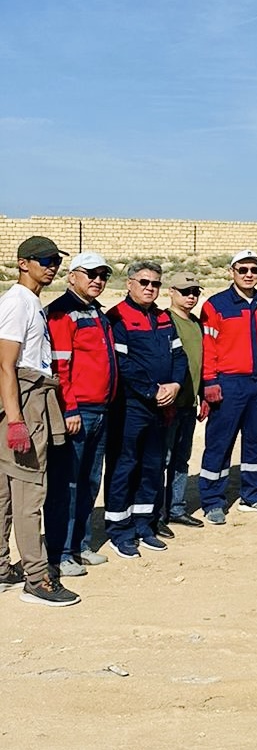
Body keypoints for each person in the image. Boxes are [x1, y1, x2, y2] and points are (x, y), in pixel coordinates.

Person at [0, 236, 79, 605]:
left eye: (55, 261)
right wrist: (17, 421)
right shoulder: (18, 302)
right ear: (23, 263)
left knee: (5, 493)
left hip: (29, 397)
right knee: (30, 492)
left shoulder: (31, 302)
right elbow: (6, 365)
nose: (52, 267)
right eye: (45, 260)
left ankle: (2, 568)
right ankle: (37, 578)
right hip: (26, 402)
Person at [105, 260, 188, 558]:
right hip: (131, 407)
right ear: (129, 284)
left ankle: (144, 524)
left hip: (161, 406)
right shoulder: (117, 317)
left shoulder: (163, 317)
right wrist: (153, 391)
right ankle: (119, 530)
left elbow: (179, 356)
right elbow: (122, 363)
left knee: (152, 466)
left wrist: (175, 386)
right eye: (144, 282)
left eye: (155, 283)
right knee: (124, 467)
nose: (150, 288)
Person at [44, 251, 118, 576]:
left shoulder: (96, 311)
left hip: (101, 409)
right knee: (68, 485)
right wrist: (69, 408)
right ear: (72, 276)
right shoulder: (63, 312)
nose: (98, 280)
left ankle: (80, 545)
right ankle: (60, 553)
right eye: (91, 274)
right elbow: (60, 367)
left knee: (89, 481)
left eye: (103, 275)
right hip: (78, 413)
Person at [197, 250, 257, 524]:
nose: (249, 274)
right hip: (229, 383)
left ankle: (254, 495)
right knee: (220, 442)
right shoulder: (216, 305)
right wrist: (210, 381)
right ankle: (213, 501)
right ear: (231, 272)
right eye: (242, 269)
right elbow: (208, 346)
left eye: (254, 270)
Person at [160, 272, 206, 531]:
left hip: (189, 403)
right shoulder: (164, 320)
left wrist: (202, 395)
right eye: (185, 292)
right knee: (162, 459)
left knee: (181, 459)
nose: (191, 296)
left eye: (195, 292)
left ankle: (176, 508)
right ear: (171, 292)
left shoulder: (196, 323)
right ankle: (157, 513)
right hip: (169, 405)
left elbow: (199, 363)